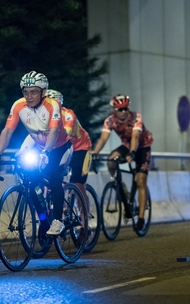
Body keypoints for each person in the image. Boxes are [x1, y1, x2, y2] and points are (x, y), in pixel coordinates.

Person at [0, 71, 72, 236]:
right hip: (39, 145)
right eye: (25, 91)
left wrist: (46, 153)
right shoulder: (18, 105)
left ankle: (58, 220)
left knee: (54, 177)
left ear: (43, 92)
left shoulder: (52, 105)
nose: (29, 96)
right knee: (30, 181)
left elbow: (54, 131)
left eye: (33, 91)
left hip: (59, 146)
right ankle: (43, 220)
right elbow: (7, 131)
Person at [91, 94, 153, 231]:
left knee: (140, 179)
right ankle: (119, 186)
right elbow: (103, 139)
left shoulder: (136, 117)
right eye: (120, 109)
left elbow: (135, 136)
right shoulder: (110, 121)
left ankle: (141, 217)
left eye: (125, 108)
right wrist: (95, 153)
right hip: (126, 144)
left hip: (142, 146)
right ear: (114, 110)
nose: (123, 112)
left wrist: (132, 152)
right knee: (111, 159)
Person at [44, 89, 92, 203]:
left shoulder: (68, 115)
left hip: (80, 148)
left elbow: (67, 134)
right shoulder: (42, 117)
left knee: (78, 184)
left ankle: (83, 218)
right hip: (59, 147)